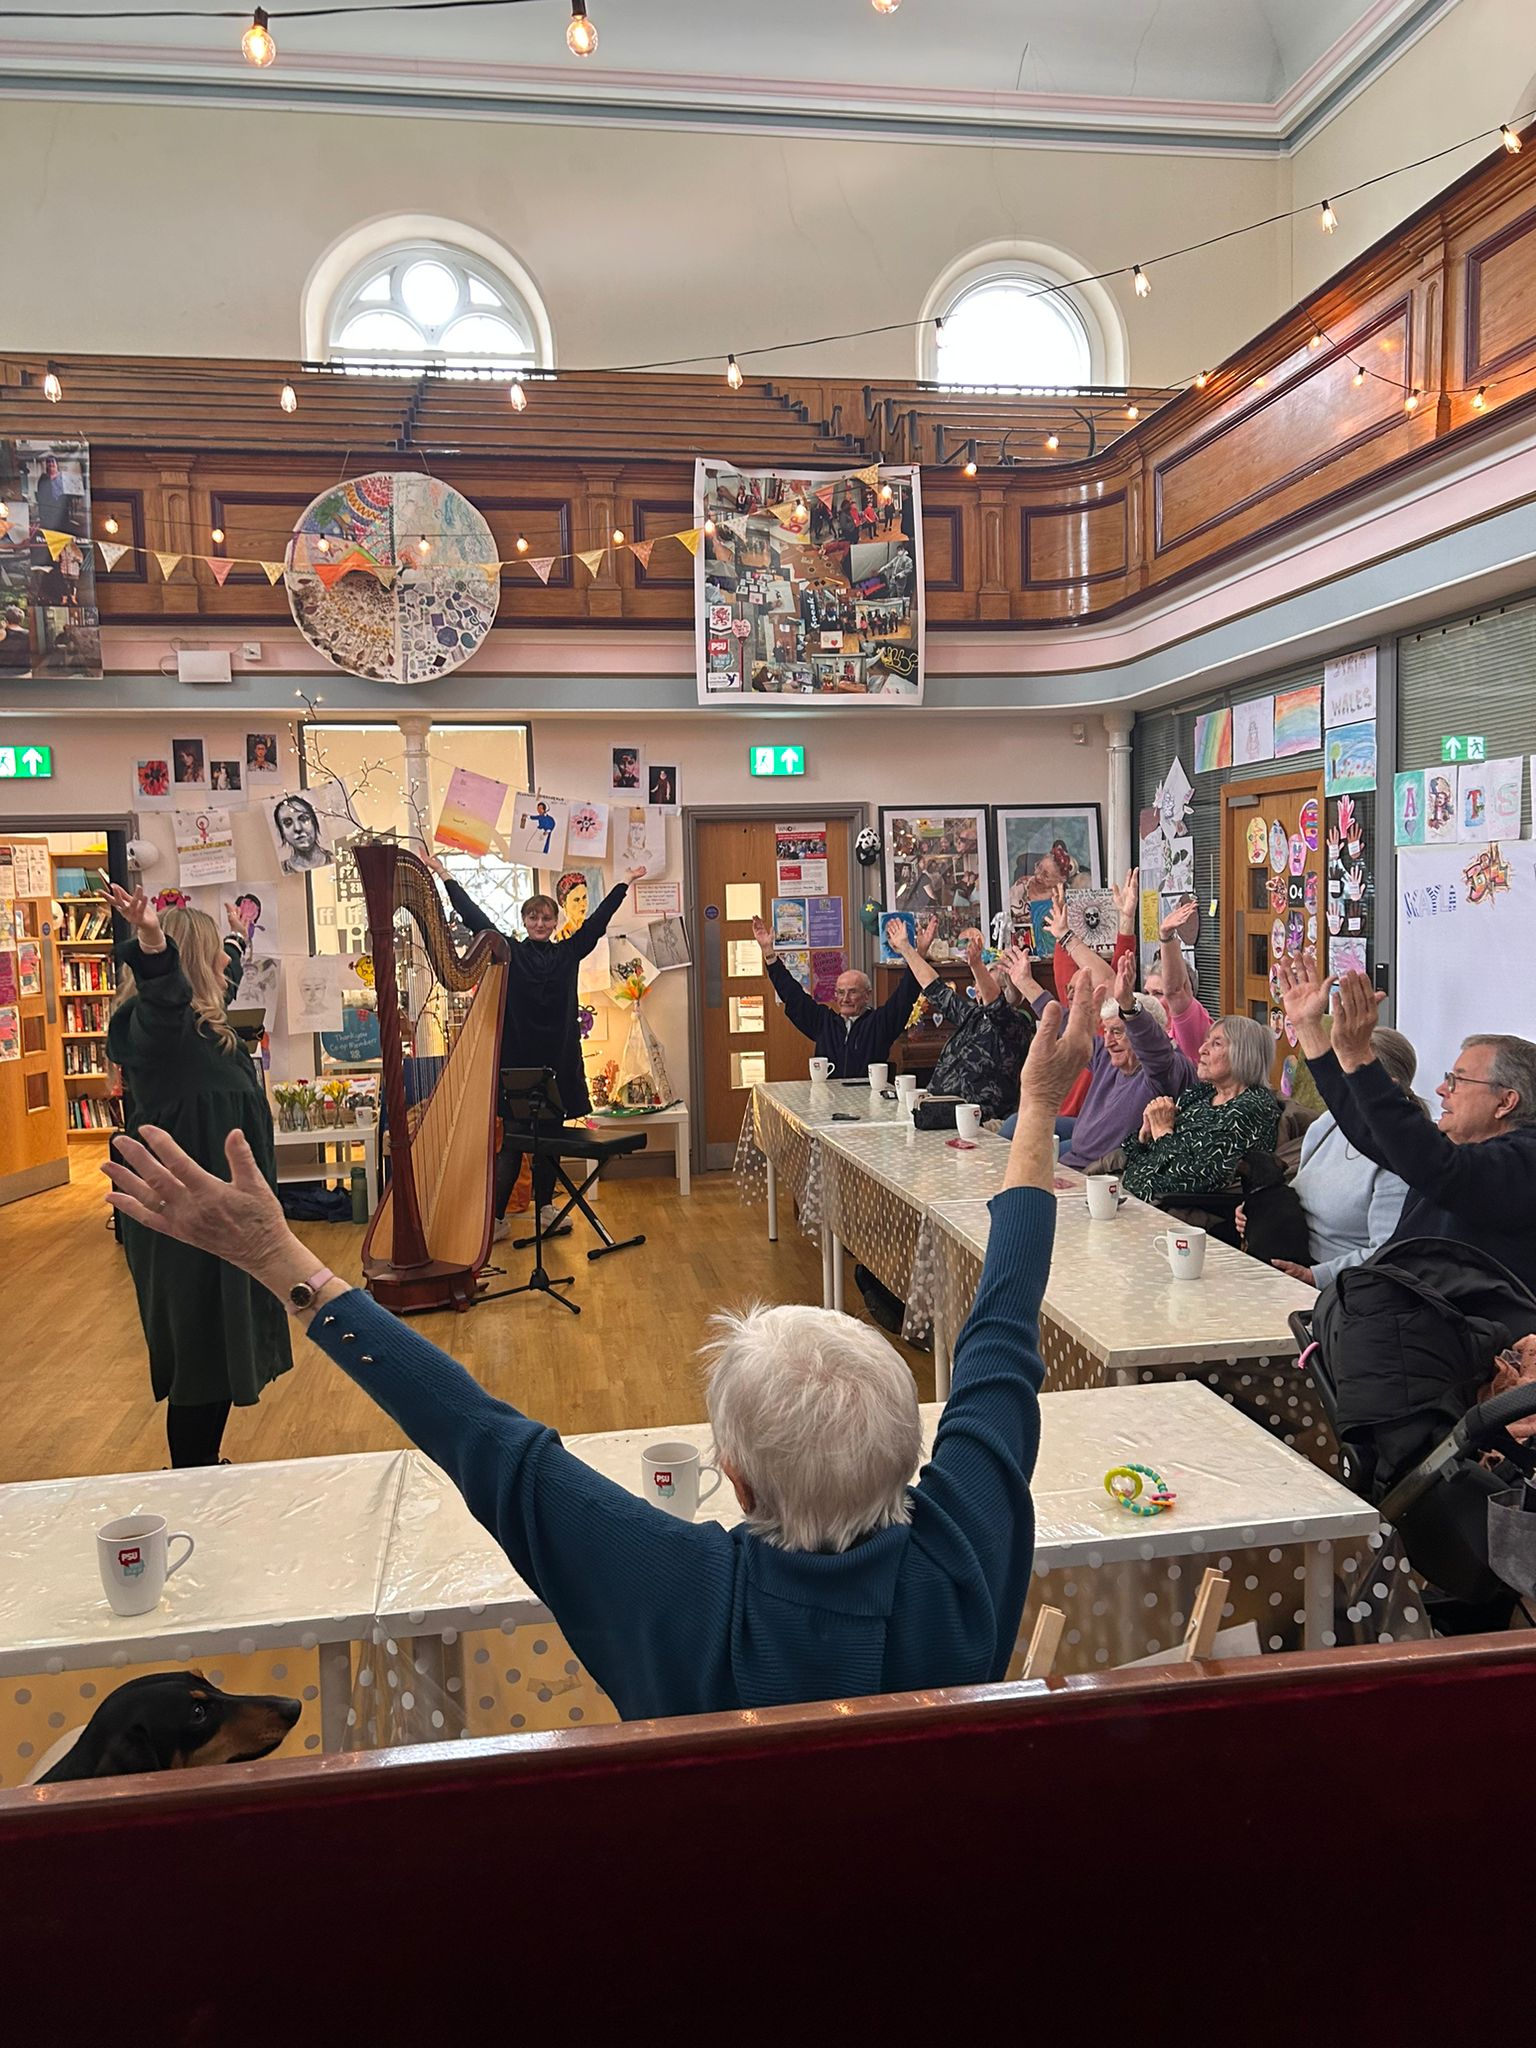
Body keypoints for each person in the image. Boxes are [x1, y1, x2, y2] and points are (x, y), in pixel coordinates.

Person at [101, 977, 1098, 1721]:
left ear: (735, 1477)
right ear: (915, 1448)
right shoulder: (967, 1550)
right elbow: (1002, 1327)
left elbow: (478, 1433)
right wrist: (1041, 1103)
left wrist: (287, 1262)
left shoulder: (671, 1585)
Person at [104, 885, 291, 1467]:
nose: (225, 964)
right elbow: (163, 997)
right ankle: (189, 1474)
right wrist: (155, 942)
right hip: (184, 1219)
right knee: (200, 1353)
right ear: (190, 964)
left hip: (224, 1213)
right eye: (215, 954)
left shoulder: (207, 1027)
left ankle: (203, 1464)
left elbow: (221, 971)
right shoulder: (159, 1029)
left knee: (223, 1342)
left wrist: (238, 931)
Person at [1276, 956, 1536, 1292]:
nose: (1443, 1089)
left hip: (1464, 1333)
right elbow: (1368, 1131)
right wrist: (1309, 1029)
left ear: (1506, 1102)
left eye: (1458, 1080)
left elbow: (1438, 1166)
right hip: (1396, 1314)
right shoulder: (1464, 1151)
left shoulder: (1523, 1161)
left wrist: (1358, 1057)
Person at [428, 854, 646, 1235]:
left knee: (549, 1144)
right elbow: (476, 918)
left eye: (547, 918)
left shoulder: (568, 952)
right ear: (525, 922)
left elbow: (597, 923)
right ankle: (495, 1222)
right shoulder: (509, 951)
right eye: (534, 918)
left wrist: (624, 883)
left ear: (555, 921)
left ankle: (546, 1211)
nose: (540, 923)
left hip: (558, 1064)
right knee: (512, 1146)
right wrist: (445, 875)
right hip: (517, 1066)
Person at [1264, 1026, 1418, 1287]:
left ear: (1386, 1085)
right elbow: (1299, 1192)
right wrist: (1261, 1211)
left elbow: (1387, 1253)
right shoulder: (1329, 1123)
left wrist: (1316, 1276)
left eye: (1346, 1073)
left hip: (1340, 1287)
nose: (1337, 1084)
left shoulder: (1401, 1152)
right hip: (1289, 1260)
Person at [1000, 946, 1168, 1167]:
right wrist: (1024, 982)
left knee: (1027, 1164)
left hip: (1098, 1169)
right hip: (1078, 1149)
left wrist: (1128, 1004)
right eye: (1106, 1031)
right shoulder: (1105, 1055)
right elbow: (1067, 1023)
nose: (1108, 1041)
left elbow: (1153, 1039)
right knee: (1013, 1135)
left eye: (1117, 1032)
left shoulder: (1159, 1069)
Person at [1118, 993, 1280, 1206]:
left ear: (1243, 1054)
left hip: (1175, 1214)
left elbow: (1193, 1179)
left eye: (1216, 1044)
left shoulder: (1251, 1108)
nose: (1202, 1050)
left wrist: (1163, 1133)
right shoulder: (1202, 1094)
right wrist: (1145, 1136)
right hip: (1134, 1197)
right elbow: (1136, 1158)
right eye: (1206, 1042)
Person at [884, 921, 1036, 1124]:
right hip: (938, 1112)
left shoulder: (1016, 1025)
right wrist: (906, 948)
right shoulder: (974, 1015)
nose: (978, 990)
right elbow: (935, 988)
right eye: (976, 984)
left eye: (984, 983)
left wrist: (977, 966)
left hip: (977, 1123)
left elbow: (996, 1005)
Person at [753, 912, 935, 1079]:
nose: (845, 998)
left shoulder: (880, 1023)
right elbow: (792, 996)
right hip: (828, 1102)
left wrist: (919, 953)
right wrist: (769, 954)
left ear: (867, 995)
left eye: (853, 991)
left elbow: (905, 995)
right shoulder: (823, 1023)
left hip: (868, 1104)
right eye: (840, 992)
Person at [272, 794, 332, 874]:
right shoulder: (283, 871)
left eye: (303, 819)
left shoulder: (335, 858)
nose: (297, 828)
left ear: (314, 822)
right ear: (282, 832)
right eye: (288, 823)